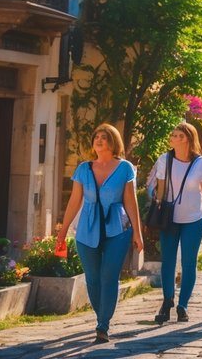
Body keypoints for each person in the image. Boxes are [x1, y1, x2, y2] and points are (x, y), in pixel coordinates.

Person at [56, 124, 142, 344]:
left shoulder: (125, 168)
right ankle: (101, 316)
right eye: (96, 137)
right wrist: (63, 230)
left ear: (113, 142)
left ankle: (103, 325)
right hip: (87, 230)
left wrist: (137, 233)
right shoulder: (84, 169)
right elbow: (74, 201)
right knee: (93, 279)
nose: (99, 140)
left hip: (118, 230)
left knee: (108, 276)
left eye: (104, 137)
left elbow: (131, 202)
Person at [146, 122, 202, 325]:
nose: (172, 138)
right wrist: (156, 212)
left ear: (186, 139)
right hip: (169, 218)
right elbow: (160, 189)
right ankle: (167, 300)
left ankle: (183, 305)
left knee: (189, 262)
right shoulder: (164, 159)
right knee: (167, 261)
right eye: (173, 134)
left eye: (176, 135)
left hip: (194, 218)